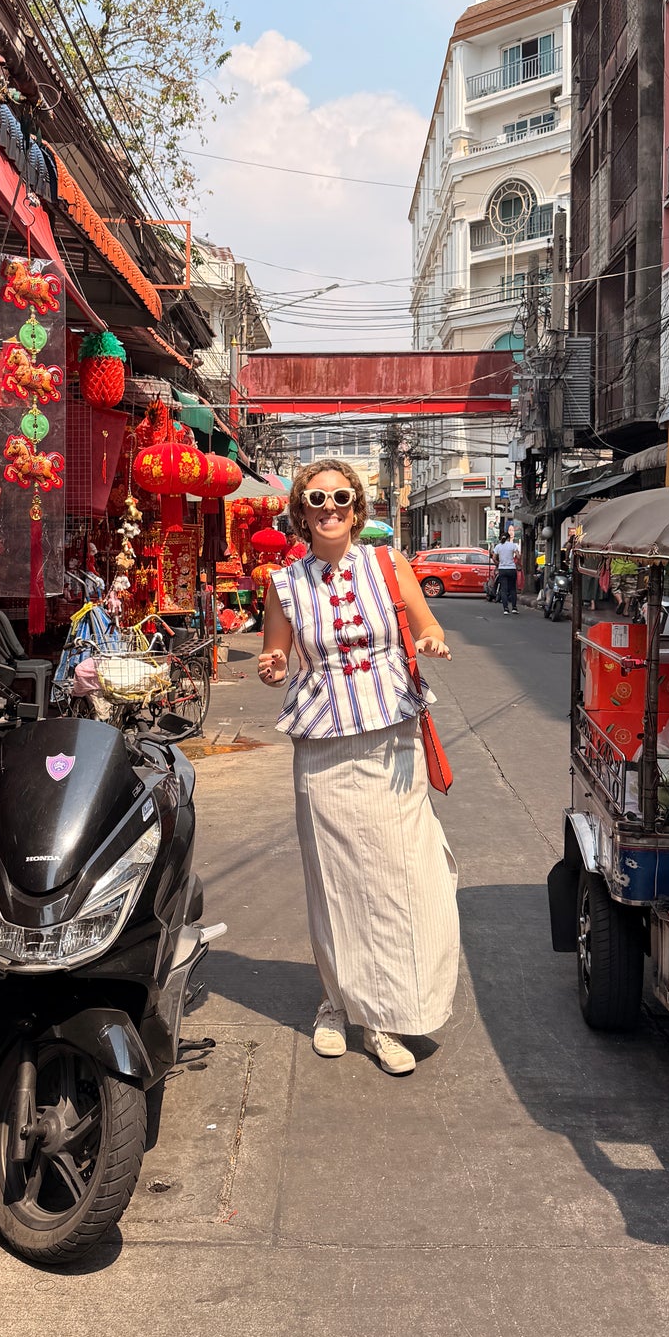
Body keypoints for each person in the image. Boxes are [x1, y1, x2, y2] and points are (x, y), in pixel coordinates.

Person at [258, 458, 460, 1076]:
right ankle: (337, 1005)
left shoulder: (387, 563)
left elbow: (426, 622)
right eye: (315, 500)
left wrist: (429, 639)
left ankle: (387, 1015)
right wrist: (269, 665)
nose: (329, 509)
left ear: (358, 506)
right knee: (335, 879)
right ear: (301, 510)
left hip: (391, 740)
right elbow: (275, 651)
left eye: (340, 498)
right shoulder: (284, 583)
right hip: (321, 745)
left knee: (404, 877)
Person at [493, 530, 521, 614]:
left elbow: (494, 558)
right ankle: (514, 608)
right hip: (511, 569)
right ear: (509, 538)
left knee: (503, 589)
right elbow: (518, 556)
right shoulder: (513, 545)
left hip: (502, 569)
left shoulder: (498, 546)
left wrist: (498, 564)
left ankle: (505, 609)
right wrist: (514, 561)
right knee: (512, 589)